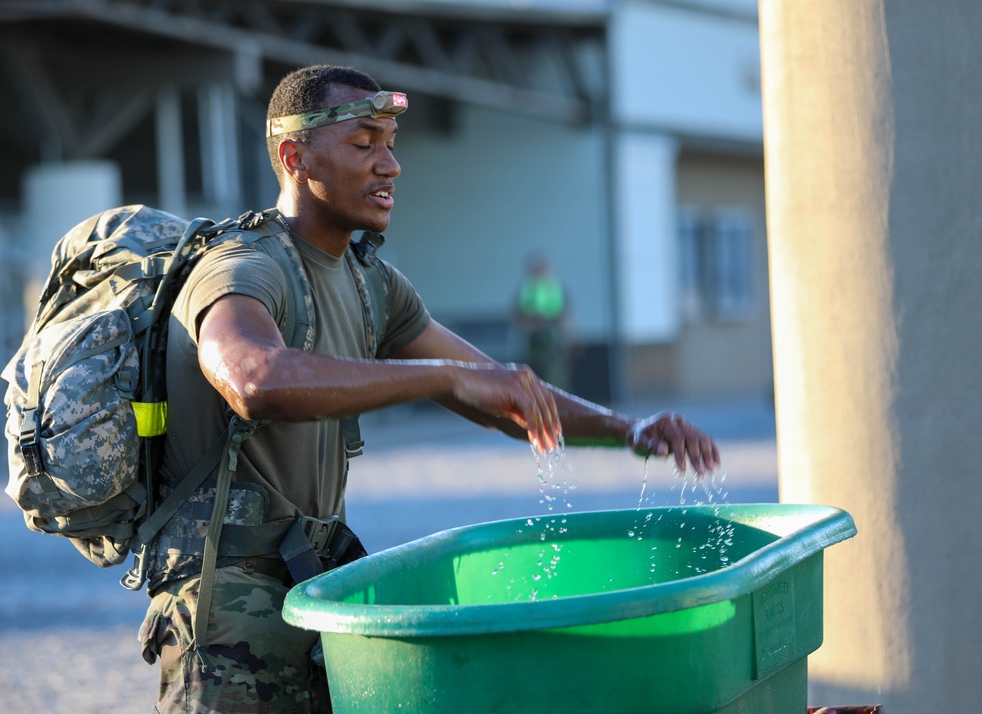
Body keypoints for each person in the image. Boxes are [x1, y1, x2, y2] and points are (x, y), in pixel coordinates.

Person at [138, 64, 720, 713]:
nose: (390, 165)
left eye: (391, 143)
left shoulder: (372, 283)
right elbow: (252, 378)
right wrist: (441, 378)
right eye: (364, 144)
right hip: (225, 623)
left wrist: (629, 431)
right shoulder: (243, 266)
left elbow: (500, 393)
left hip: (320, 598)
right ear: (294, 156)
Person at [515, 253, 572, 390]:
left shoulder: (555, 289)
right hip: (533, 343)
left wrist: (568, 338)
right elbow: (519, 317)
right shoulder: (527, 290)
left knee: (555, 379)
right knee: (532, 379)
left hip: (552, 342)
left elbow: (563, 315)